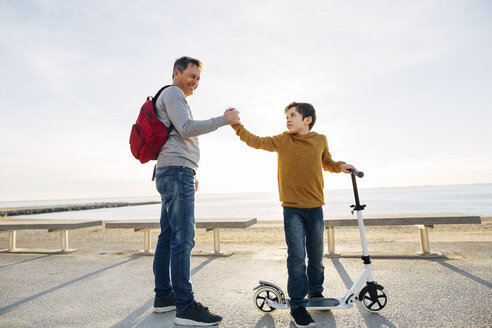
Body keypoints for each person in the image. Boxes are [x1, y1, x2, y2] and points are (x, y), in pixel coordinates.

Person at [229, 102, 355, 328]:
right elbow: (256, 141)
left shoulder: (320, 139)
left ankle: (316, 292)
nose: (287, 119)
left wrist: (341, 165)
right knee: (296, 258)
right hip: (292, 209)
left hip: (316, 208)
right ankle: (297, 305)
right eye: (286, 116)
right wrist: (237, 126)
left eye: (293, 115)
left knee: (316, 255)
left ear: (307, 119)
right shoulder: (282, 140)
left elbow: (327, 162)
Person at [152, 56, 240, 326]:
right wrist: (223, 120)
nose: (195, 82)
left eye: (199, 79)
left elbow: (176, 137)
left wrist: (189, 171)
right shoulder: (173, 93)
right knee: (183, 239)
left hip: (175, 171)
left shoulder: (171, 96)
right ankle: (185, 307)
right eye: (192, 76)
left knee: (168, 236)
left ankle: (164, 298)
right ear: (176, 73)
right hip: (176, 172)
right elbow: (187, 129)